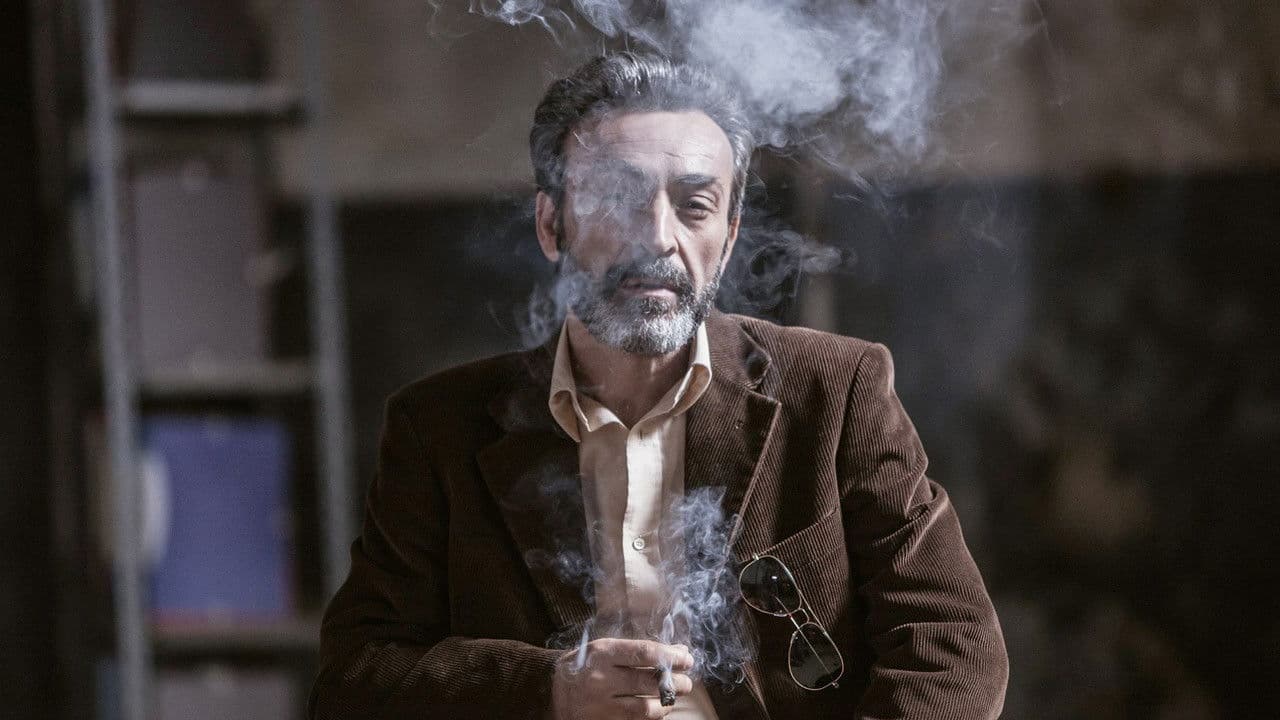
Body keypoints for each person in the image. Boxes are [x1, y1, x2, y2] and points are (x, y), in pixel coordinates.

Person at [309, 52, 1008, 720]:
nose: (657, 238)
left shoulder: (836, 390)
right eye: (618, 198)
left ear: (728, 237)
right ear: (551, 224)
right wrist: (548, 693)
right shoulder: (438, 427)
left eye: (694, 206)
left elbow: (955, 648)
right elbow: (354, 681)